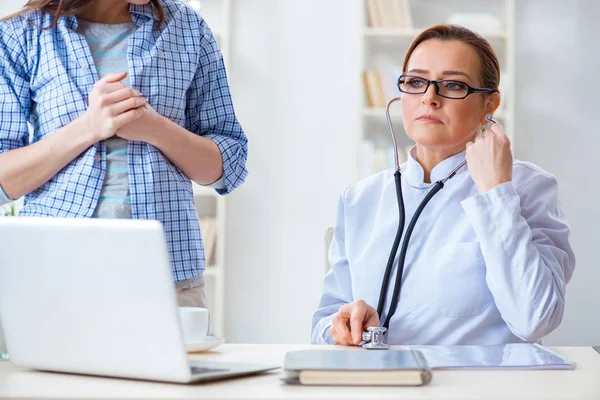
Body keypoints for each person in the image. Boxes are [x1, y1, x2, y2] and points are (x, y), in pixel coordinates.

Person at [311, 24, 575, 346]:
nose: (429, 98)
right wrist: (340, 327)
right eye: (416, 82)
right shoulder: (359, 199)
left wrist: (495, 194)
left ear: (489, 106)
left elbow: (536, 319)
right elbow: (322, 324)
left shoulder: (526, 188)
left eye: (453, 85)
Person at [0, 0, 248, 308]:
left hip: (169, 279)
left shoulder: (187, 27)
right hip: (56, 276)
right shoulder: (20, 34)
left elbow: (228, 168)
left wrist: (154, 127)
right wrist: (89, 127)